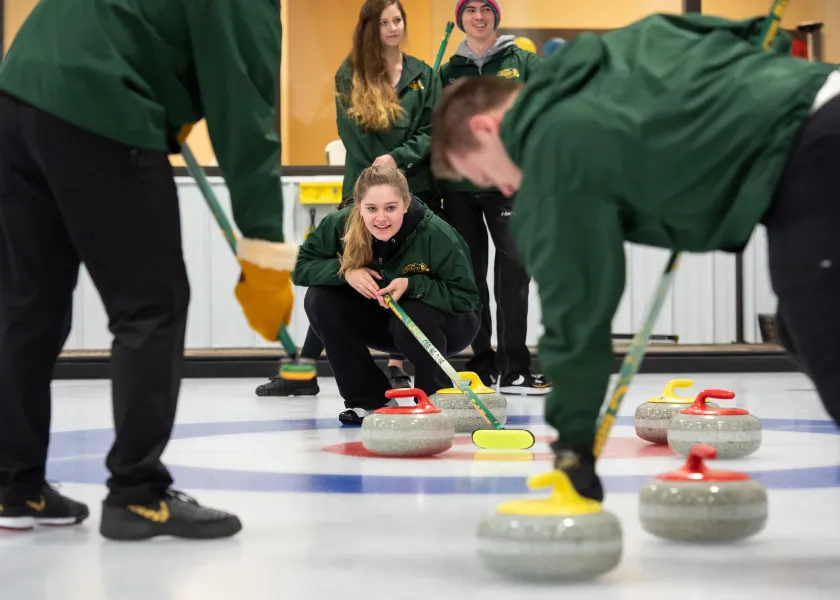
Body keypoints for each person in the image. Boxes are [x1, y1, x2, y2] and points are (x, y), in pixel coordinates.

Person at [429, 12, 840, 501]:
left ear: (486, 125)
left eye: (480, 172)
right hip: (816, 117)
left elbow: (575, 309)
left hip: (813, 146)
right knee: (799, 326)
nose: (498, 187)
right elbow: (707, 34)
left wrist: (574, 446)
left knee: (826, 335)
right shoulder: (591, 76)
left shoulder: (550, 144)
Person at [0, 0, 296, 539]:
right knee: (151, 306)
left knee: (26, 309)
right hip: (102, 104)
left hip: (17, 96)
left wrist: (171, 111)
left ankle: (13, 488)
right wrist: (264, 253)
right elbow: (245, 118)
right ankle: (137, 493)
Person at [256, 0, 440, 398]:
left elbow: (433, 129)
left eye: (398, 20)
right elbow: (353, 132)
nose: (392, 28)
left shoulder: (423, 74)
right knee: (346, 276)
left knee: (409, 277)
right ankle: (303, 373)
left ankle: (397, 366)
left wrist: (399, 158)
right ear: (369, 28)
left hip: (414, 192)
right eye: (384, 22)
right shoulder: (351, 72)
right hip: (365, 191)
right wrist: (382, 171)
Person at [293, 166, 481, 424]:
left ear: (405, 204)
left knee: (414, 310)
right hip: (384, 324)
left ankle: (435, 396)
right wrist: (345, 271)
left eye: (390, 208)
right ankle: (369, 400)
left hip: (450, 327)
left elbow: (466, 298)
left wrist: (414, 285)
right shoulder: (339, 224)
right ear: (358, 205)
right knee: (319, 298)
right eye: (372, 209)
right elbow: (300, 267)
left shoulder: (436, 233)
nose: (381, 218)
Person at [439, 0, 549, 394]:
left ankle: (515, 366)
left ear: (496, 16)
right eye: (470, 10)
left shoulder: (522, 62)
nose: (478, 16)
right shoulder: (448, 71)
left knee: (514, 278)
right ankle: (482, 362)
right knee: (470, 279)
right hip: (459, 188)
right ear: (460, 19)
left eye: (486, 8)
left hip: (509, 186)